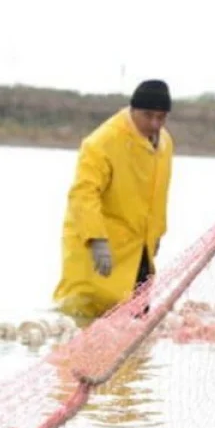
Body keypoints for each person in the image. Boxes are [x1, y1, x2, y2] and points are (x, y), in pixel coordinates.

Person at [52, 79, 174, 319]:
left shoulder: (165, 143)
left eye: (161, 117)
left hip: (140, 248)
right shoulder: (102, 142)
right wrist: (97, 240)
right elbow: (83, 194)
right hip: (99, 247)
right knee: (84, 313)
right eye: (148, 116)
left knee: (136, 318)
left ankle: (136, 358)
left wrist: (157, 234)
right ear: (133, 110)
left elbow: (159, 192)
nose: (154, 123)